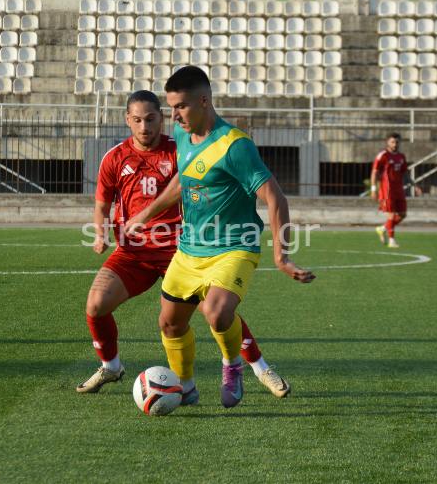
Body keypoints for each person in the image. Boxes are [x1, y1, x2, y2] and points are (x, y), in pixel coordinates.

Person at [77, 90, 291, 401]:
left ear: (161, 119)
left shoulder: (180, 148)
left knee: (217, 311)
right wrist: (100, 234)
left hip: (182, 249)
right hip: (133, 253)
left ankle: (260, 368)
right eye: (137, 120)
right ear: (127, 120)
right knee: (96, 304)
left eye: (151, 119)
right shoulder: (114, 157)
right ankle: (111, 366)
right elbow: (102, 205)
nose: (144, 126)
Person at [125, 67, 314, 408]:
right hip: (190, 249)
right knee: (169, 323)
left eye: (181, 106)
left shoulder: (235, 145)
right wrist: (145, 213)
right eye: (171, 107)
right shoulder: (183, 134)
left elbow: (275, 197)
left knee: (216, 312)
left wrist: (282, 257)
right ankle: (185, 386)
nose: (174, 116)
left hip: (234, 246)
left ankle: (232, 365)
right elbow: (184, 181)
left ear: (203, 101)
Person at [370, 133, 420, 249]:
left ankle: (382, 228)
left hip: (399, 190)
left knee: (402, 215)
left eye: (397, 142)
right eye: (392, 142)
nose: (395, 144)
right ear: (387, 142)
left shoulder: (401, 156)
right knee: (391, 216)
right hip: (387, 190)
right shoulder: (383, 156)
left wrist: (414, 186)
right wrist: (373, 189)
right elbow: (374, 172)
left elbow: (405, 173)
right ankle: (391, 241)